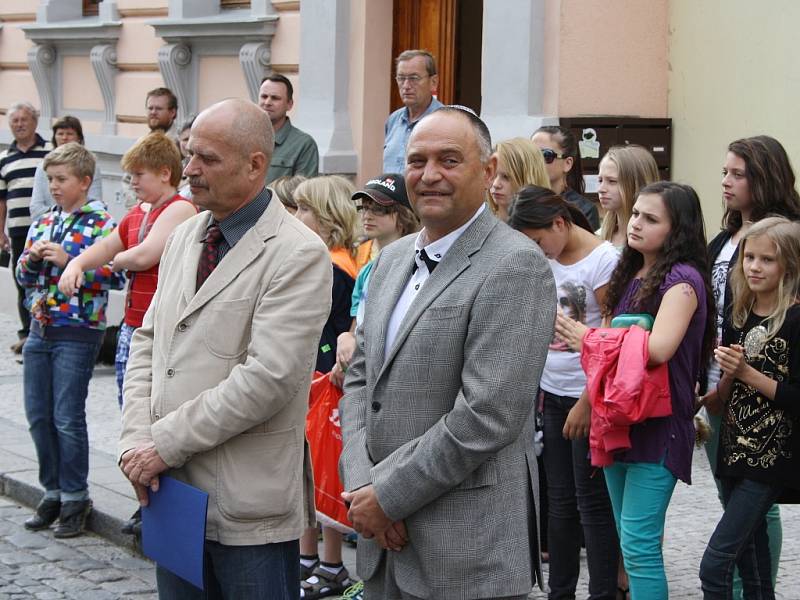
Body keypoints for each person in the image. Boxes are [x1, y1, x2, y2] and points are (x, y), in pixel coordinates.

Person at [118, 98, 332, 599]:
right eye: (189, 154)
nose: (189, 170)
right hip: (171, 491)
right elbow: (150, 341)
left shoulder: (298, 253)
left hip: (246, 506)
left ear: (256, 164)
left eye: (206, 159)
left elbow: (268, 378)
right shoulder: (186, 235)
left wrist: (161, 444)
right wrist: (134, 442)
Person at [339, 106, 556, 599]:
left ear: (489, 170)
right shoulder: (392, 259)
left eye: (449, 160)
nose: (429, 175)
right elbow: (359, 380)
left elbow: (487, 415)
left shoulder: (515, 266)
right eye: (417, 161)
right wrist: (363, 491)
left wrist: (388, 496)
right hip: (382, 540)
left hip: (464, 551)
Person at [556, 181, 715, 599]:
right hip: (620, 420)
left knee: (640, 548)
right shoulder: (632, 272)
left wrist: (588, 338)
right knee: (628, 543)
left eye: (651, 218)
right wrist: (589, 398)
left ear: (677, 228)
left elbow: (660, 348)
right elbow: (613, 351)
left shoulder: (683, 280)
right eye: (637, 215)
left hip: (659, 426)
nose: (637, 224)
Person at [699, 135, 800, 598]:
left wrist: (745, 375)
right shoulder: (725, 239)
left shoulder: (788, 237)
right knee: (735, 504)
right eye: (725, 172)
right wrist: (717, 382)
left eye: (738, 173)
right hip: (728, 394)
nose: (726, 181)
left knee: (755, 511)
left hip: (771, 424)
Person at [509, 187, 621, 600]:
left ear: (559, 223)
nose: (539, 252)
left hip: (589, 396)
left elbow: (613, 340)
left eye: (539, 242)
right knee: (556, 500)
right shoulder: (547, 256)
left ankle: (603, 592)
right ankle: (561, 592)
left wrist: (588, 401)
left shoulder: (604, 260)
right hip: (551, 392)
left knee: (591, 502)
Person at [16, 142, 124, 538]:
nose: (54, 187)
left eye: (61, 180)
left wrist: (71, 262)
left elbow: (119, 275)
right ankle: (53, 491)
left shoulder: (101, 223)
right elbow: (22, 279)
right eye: (50, 180)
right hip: (40, 329)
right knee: (38, 415)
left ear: (84, 182)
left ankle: (76, 497)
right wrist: (30, 262)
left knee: (66, 417)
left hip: (78, 330)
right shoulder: (43, 221)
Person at [60, 131, 196, 407]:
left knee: (153, 403)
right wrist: (77, 263)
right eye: (130, 175)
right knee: (128, 400)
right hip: (134, 323)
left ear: (164, 173)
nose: (132, 182)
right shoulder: (138, 212)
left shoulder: (180, 208)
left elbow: (144, 256)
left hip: (163, 327)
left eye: (139, 175)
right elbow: (107, 246)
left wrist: (117, 260)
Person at [291, 175, 359, 598]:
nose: (296, 217)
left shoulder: (334, 265)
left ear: (327, 218)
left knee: (322, 474)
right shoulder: (321, 257)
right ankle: (307, 557)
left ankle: (330, 564)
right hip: (312, 377)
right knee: (305, 471)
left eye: (304, 209)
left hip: (323, 379)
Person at [330, 173, 420, 390]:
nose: (367, 215)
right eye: (364, 207)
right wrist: (346, 338)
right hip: (365, 374)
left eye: (378, 209)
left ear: (403, 214)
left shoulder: (419, 266)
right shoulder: (366, 271)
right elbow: (357, 324)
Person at [0, 101, 51, 353]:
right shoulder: (4, 158)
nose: (19, 125)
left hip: (46, 228)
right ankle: (26, 331)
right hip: (19, 230)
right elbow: (1, 199)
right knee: (22, 281)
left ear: (35, 122)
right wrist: (1, 232)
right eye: (14, 121)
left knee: (46, 278)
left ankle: (44, 328)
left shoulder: (50, 151)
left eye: (23, 120)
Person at [30, 115, 103, 220]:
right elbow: (36, 209)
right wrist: (60, 216)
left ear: (79, 138)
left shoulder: (92, 166)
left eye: (69, 134)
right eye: (60, 134)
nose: (64, 138)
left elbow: (96, 202)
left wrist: (73, 216)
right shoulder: (43, 167)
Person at [382, 50, 443, 173]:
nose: (406, 85)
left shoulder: (445, 121)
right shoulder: (393, 120)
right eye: (401, 78)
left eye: (414, 78)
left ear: (433, 82)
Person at [532, 125, 600, 230]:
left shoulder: (584, 210)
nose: (536, 161)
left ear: (567, 163)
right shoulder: (519, 201)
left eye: (546, 155)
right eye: (531, 155)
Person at [258, 74, 320, 184]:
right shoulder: (245, 137)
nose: (267, 102)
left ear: (289, 104)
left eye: (275, 98)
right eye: (264, 96)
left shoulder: (304, 145)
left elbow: (304, 194)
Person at [596, 145, 659, 248]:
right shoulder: (598, 237)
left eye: (612, 181)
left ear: (636, 184)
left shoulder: (651, 244)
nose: (601, 189)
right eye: (600, 180)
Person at [488, 137, 550, 222]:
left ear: (527, 176)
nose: (495, 184)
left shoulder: (549, 226)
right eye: (493, 175)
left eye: (506, 177)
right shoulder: (479, 226)